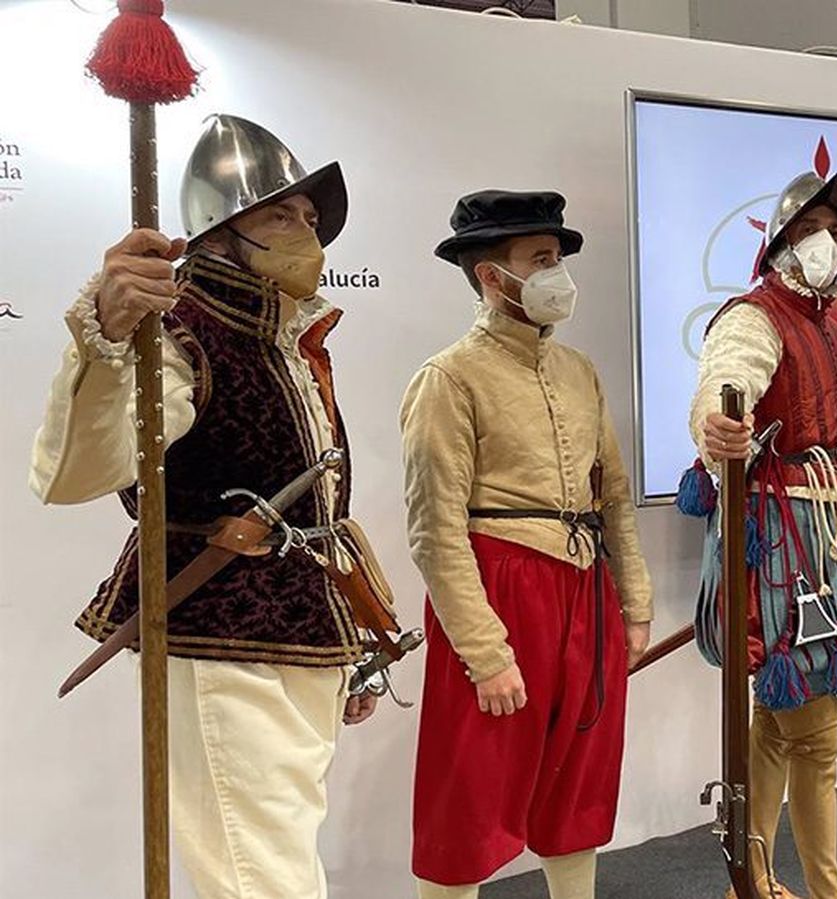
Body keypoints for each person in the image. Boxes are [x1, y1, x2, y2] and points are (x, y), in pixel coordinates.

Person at [29, 115, 375, 898]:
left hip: (300, 616)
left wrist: (355, 636)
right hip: (219, 617)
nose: (304, 233)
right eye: (279, 215)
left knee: (276, 845)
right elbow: (85, 470)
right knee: (259, 870)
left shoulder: (281, 337)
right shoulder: (182, 331)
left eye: (309, 219)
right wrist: (110, 331)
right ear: (219, 232)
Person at [404, 191, 652, 899]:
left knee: (579, 782)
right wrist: (485, 652)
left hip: (584, 590)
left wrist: (632, 602)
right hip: (500, 586)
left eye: (558, 258)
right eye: (541, 260)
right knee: (470, 790)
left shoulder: (579, 371)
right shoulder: (448, 378)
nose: (558, 274)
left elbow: (613, 497)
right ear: (491, 275)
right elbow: (435, 529)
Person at [691, 171, 837, 899]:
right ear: (781, 239)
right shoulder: (753, 316)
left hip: (821, 536)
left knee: (778, 728)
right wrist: (718, 425)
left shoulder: (828, 327)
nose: (827, 243)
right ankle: (822, 892)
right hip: (778, 546)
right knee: (816, 738)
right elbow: (726, 383)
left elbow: (822, 446)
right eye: (813, 228)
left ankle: (757, 880)